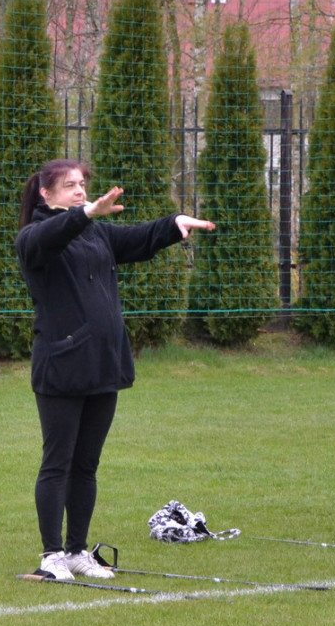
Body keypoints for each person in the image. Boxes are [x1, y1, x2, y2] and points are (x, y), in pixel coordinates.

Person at [15, 159, 215, 580]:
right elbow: (51, 236)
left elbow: (137, 238)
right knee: (58, 463)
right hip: (61, 367)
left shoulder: (96, 233)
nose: (80, 190)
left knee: (86, 464)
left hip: (103, 365)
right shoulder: (34, 236)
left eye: (82, 184)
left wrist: (173, 224)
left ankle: (76, 551)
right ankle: (52, 555)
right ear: (45, 194)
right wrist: (85, 213)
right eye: (69, 185)